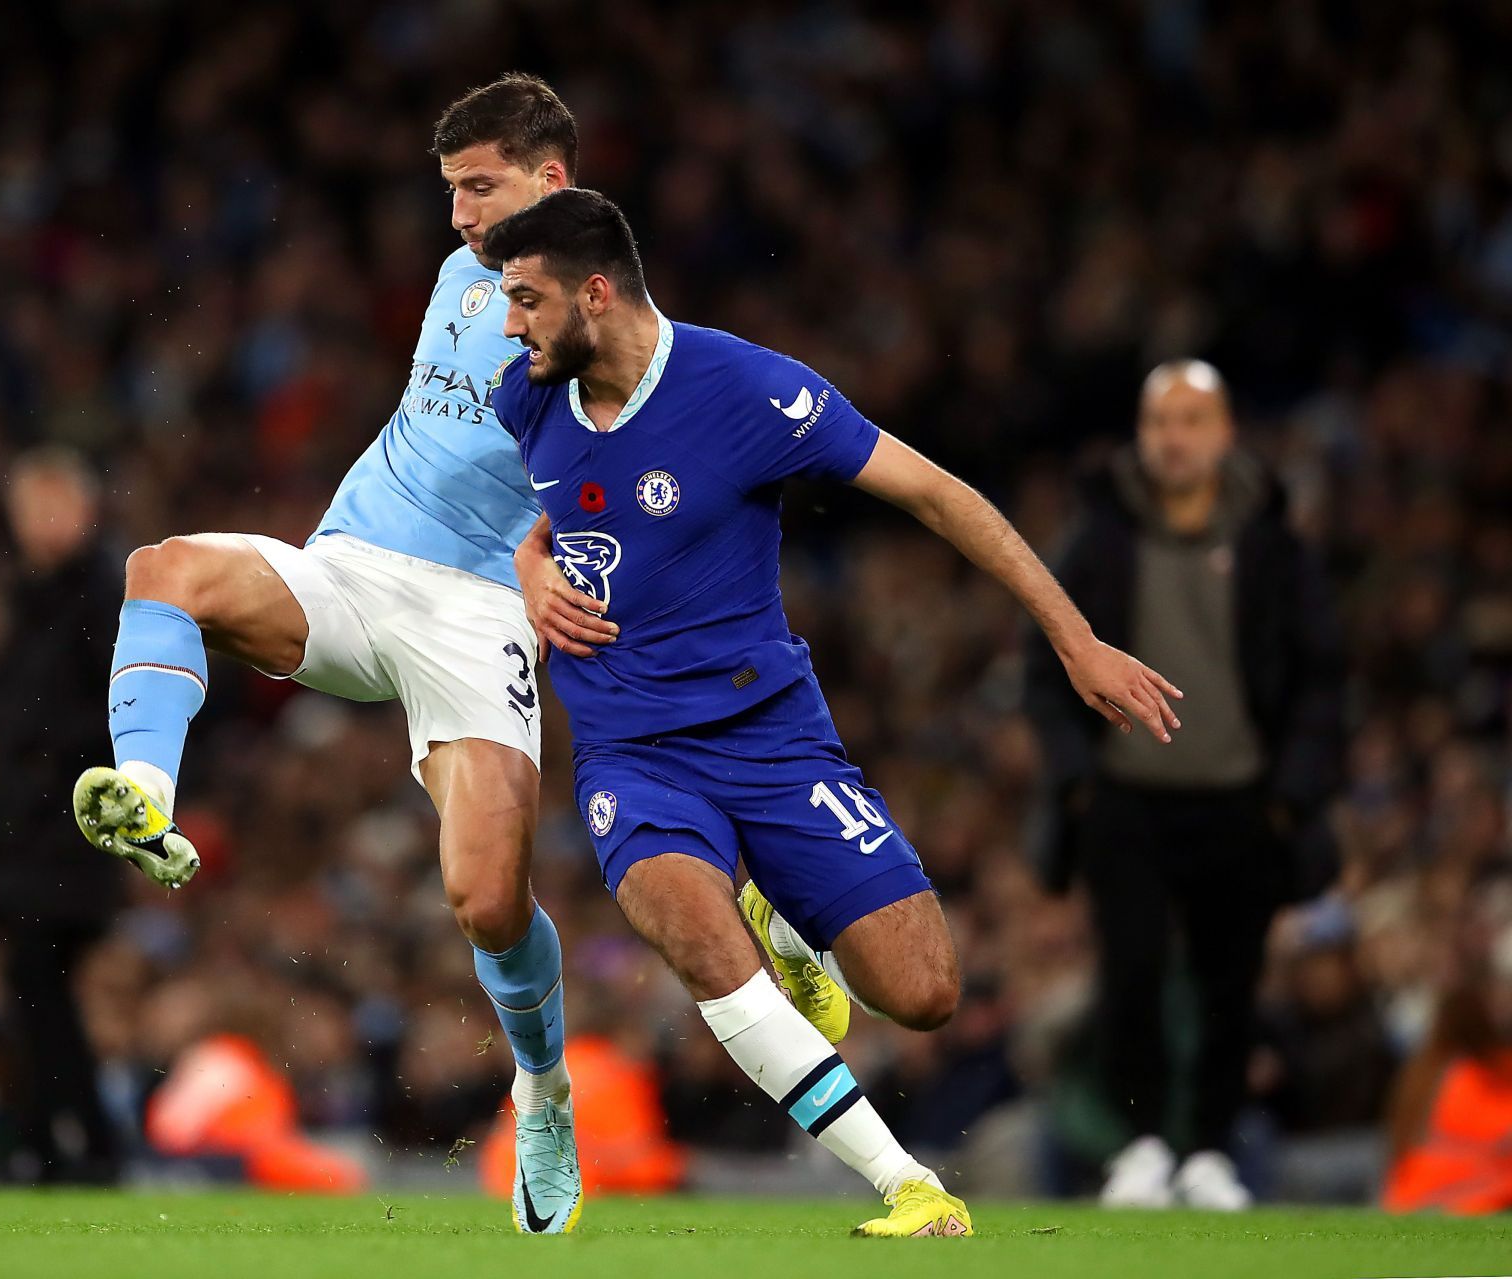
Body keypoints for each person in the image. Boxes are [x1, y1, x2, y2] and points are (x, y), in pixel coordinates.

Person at [483, 188, 1181, 1238]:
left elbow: (939, 494)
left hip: (768, 733)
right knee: (696, 937)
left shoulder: (749, 391)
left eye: (527, 299)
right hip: (632, 752)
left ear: (596, 292)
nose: (509, 324)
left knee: (923, 990)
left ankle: (783, 910)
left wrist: (1073, 637)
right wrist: (530, 566)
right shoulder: (527, 394)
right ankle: (908, 1181)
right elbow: (536, 517)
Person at [67, 74, 586, 1233]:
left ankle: (543, 1091)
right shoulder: (462, 276)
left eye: (480, 187)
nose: (458, 216)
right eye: (451, 190)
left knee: (488, 900)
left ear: (553, 181)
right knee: (165, 568)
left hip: (475, 611)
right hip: (350, 567)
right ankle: (147, 795)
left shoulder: (606, 327)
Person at [1022, 360, 1345, 1210]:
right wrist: (1078, 781)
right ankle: (1142, 1145)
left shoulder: (1272, 543)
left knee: (1231, 979)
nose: (1175, 437)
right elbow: (1044, 665)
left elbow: (1320, 673)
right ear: (1141, 432)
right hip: (1127, 796)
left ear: (1225, 432)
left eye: (1193, 420)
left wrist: (1293, 792)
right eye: (1162, 420)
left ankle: (1209, 1147)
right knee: (1128, 974)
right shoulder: (1100, 538)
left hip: (1241, 797)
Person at [0, 447, 124, 1183]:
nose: (36, 524)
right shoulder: (34, 597)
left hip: (65, 832)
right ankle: (66, 1142)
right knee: (35, 985)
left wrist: (19, 745)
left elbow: (116, 707)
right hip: (28, 835)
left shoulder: (99, 596)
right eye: (27, 510)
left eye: (48, 507)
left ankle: (70, 1144)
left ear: (83, 510)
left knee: (36, 980)